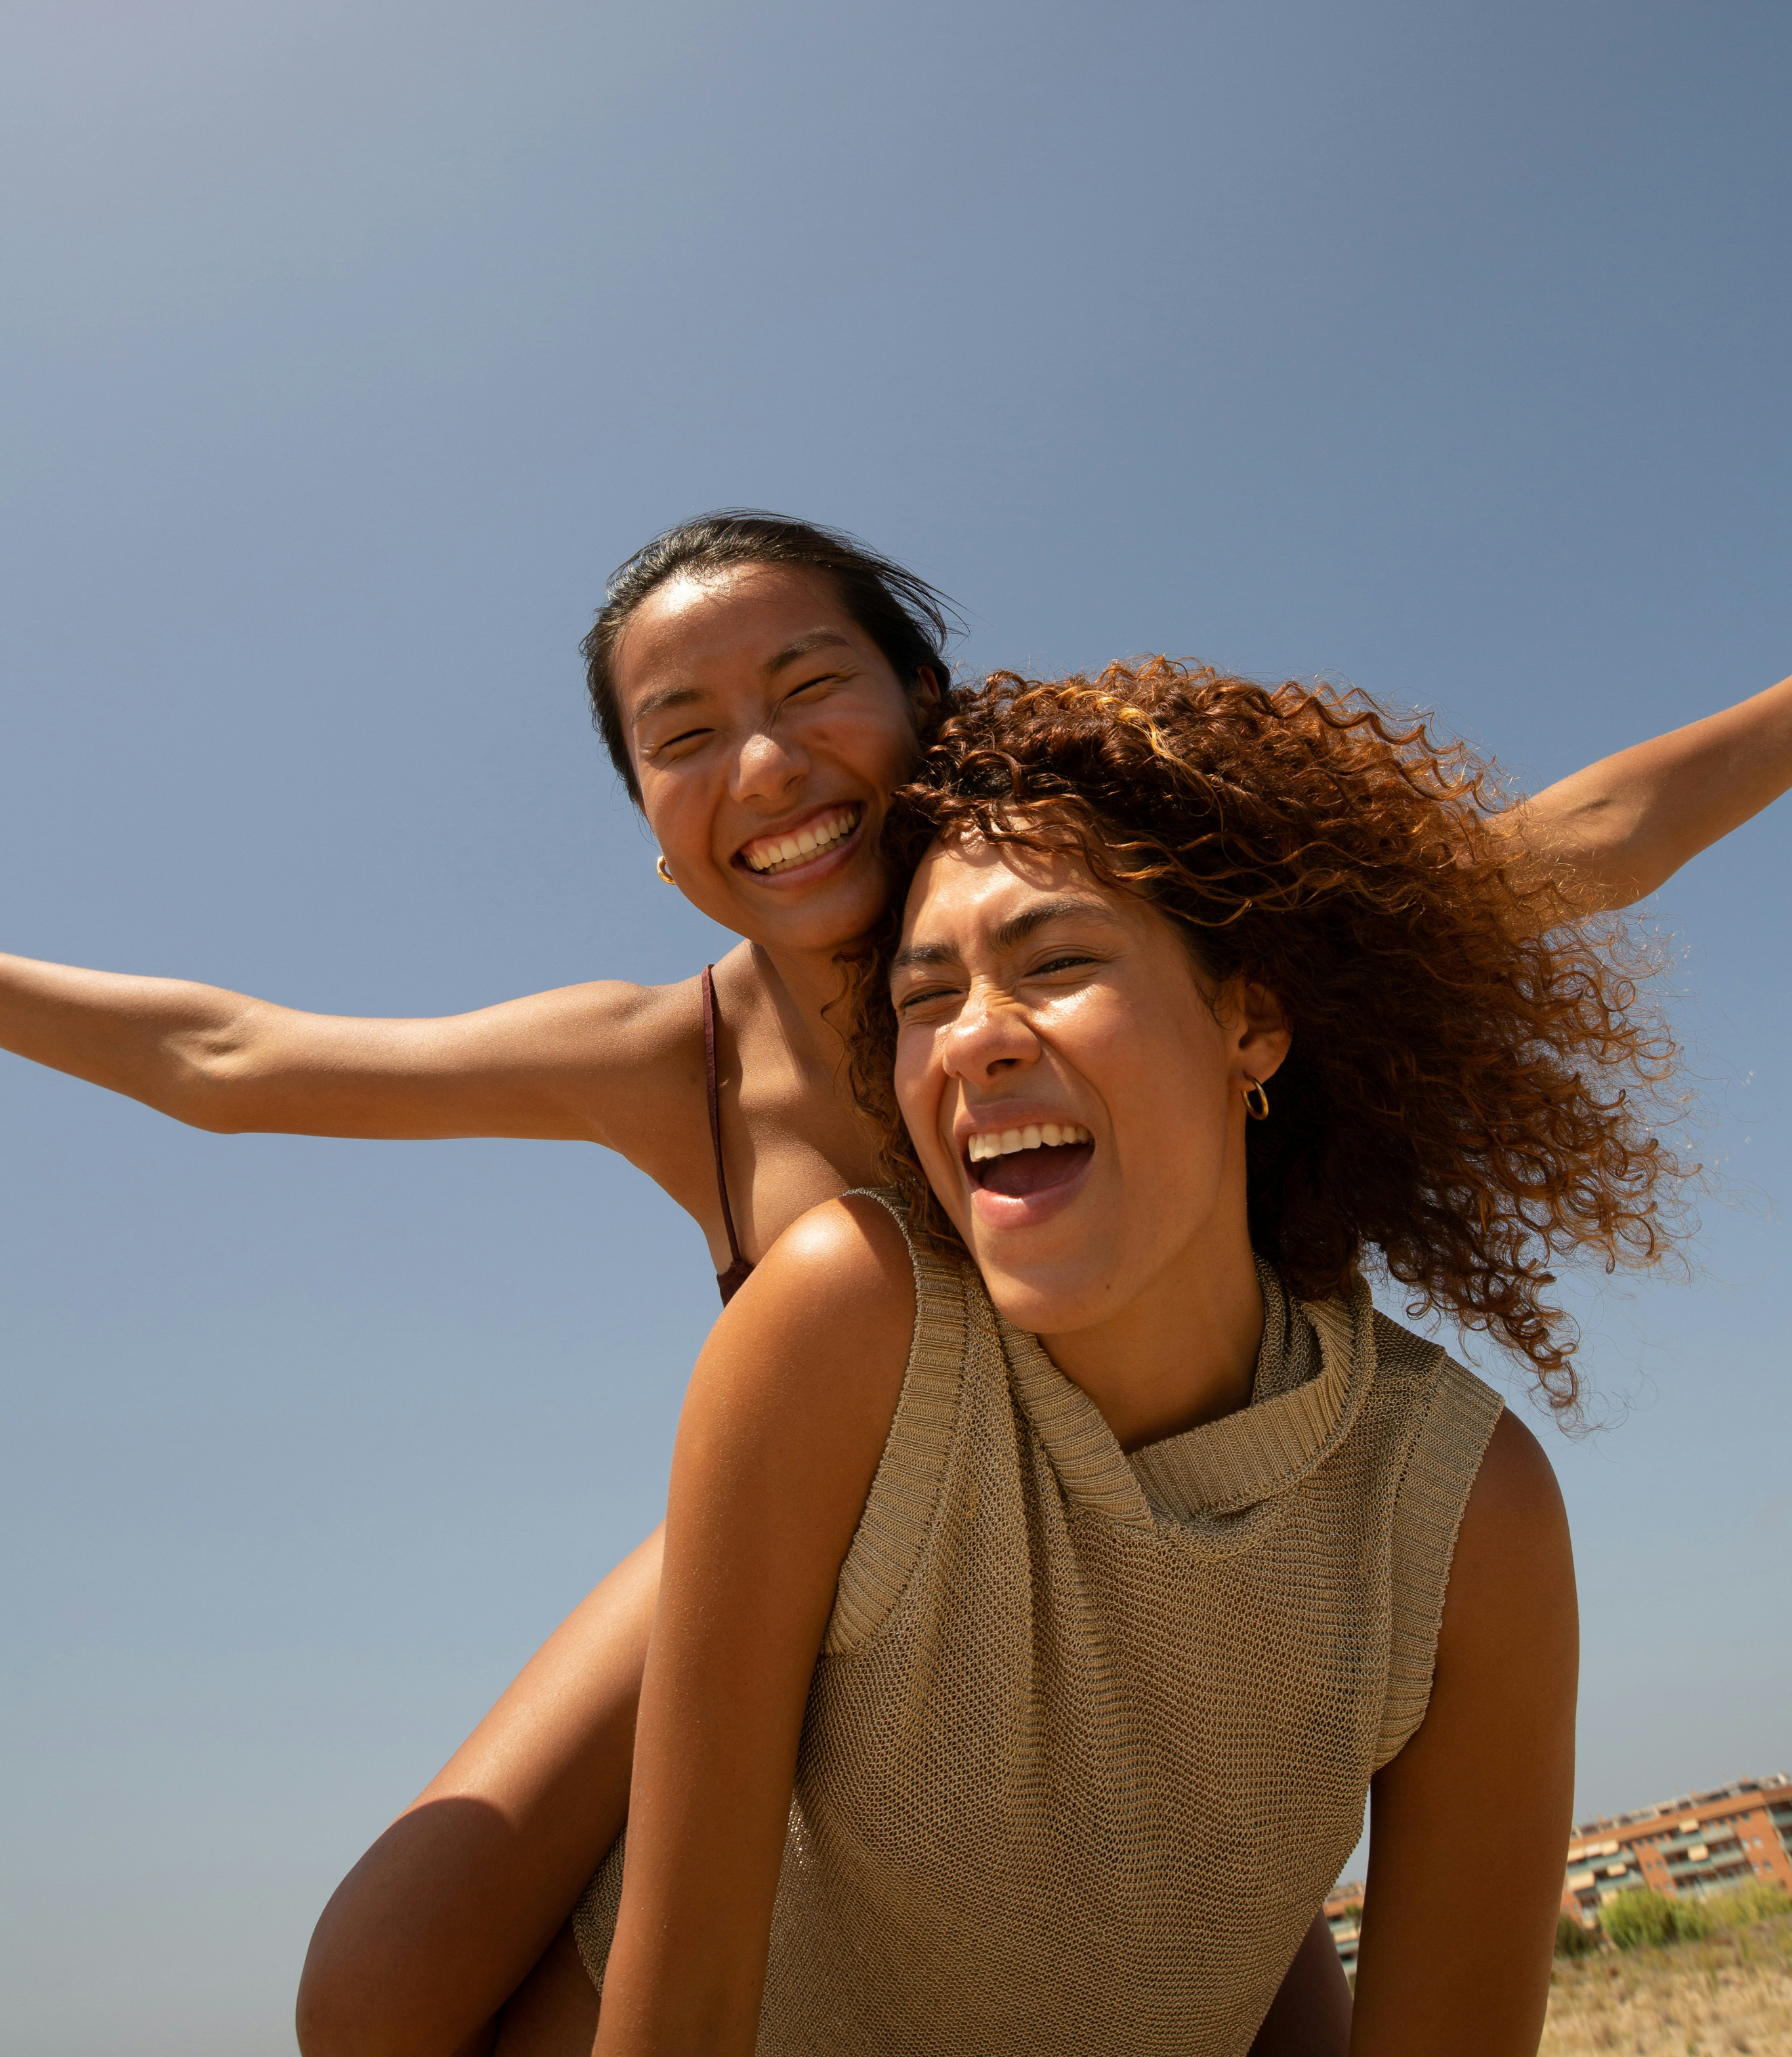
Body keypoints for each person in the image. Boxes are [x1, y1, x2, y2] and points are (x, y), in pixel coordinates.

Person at [1, 515, 1787, 2054]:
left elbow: (1590, 834)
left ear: (928, 716)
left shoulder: (1166, 915)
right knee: (380, 1977)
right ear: (649, 831)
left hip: (1189, 1563)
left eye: (806, 688)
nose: (763, 766)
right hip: (841, 1501)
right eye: (682, 735)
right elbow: (226, 1055)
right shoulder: (672, 1061)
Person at [491, 656, 1689, 2055]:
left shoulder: (1459, 1508)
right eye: (925, 999)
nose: (977, 1039)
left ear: (1249, 1020)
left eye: (1057, 962)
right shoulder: (847, 1331)